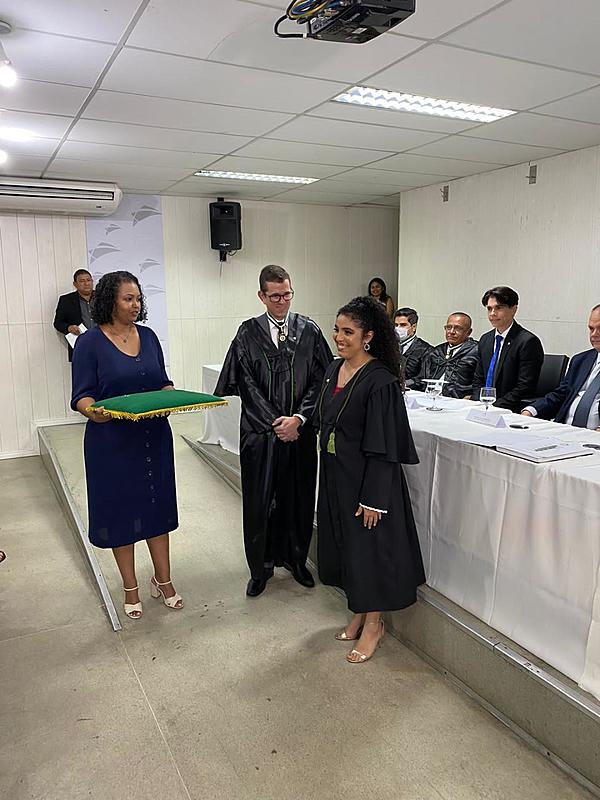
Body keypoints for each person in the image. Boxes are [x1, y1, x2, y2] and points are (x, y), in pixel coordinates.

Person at [315, 297, 426, 664]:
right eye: (336, 329)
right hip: (338, 475)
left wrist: (374, 497)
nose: (339, 337)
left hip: (369, 483)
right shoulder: (335, 368)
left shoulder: (380, 381)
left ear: (368, 336)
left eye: (348, 332)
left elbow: (386, 445)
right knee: (350, 549)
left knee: (370, 553)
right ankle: (359, 611)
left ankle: (374, 624)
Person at [215, 265, 333, 597]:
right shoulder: (247, 333)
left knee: (298, 498)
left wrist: (299, 418)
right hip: (260, 433)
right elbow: (246, 384)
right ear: (262, 296)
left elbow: (322, 378)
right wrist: (275, 422)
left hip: (299, 433)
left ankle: (296, 560)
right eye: (275, 296)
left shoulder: (309, 330)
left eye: (287, 294)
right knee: (259, 500)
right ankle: (261, 568)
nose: (282, 301)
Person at [71, 270, 182, 620]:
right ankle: (130, 587)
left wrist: (171, 397)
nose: (135, 305)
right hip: (111, 443)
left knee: (157, 508)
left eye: (138, 299)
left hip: (153, 438)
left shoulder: (148, 337)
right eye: (128, 299)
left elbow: (162, 382)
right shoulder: (90, 342)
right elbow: (81, 396)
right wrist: (94, 412)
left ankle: (163, 580)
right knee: (122, 513)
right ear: (110, 301)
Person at [522, 305, 600, 429]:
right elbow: (560, 395)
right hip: (565, 430)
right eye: (591, 329)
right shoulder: (581, 360)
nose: (594, 334)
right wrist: (531, 411)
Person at [471, 286, 544, 412]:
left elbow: (525, 387)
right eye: (489, 309)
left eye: (498, 308)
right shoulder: (485, 339)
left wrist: (495, 406)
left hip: (510, 409)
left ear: (514, 309)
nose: (492, 313)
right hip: (482, 407)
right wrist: (479, 402)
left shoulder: (527, 341)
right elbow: (478, 379)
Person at [414, 313, 478, 398]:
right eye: (448, 327)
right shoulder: (437, 351)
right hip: (430, 397)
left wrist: (474, 396)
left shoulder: (476, 351)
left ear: (468, 332)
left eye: (457, 328)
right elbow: (422, 378)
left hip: (459, 400)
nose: (451, 332)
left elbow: (481, 381)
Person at [53, 269, 96, 361]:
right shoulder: (66, 300)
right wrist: (68, 328)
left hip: (103, 343)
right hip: (80, 345)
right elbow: (58, 323)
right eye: (82, 281)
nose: (86, 283)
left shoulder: (102, 298)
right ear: (75, 284)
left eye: (88, 280)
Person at [394, 307, 431, 384]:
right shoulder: (390, 347)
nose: (398, 328)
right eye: (396, 325)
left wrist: (404, 384)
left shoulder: (425, 350)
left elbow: (423, 378)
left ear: (413, 327)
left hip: (411, 389)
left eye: (403, 325)